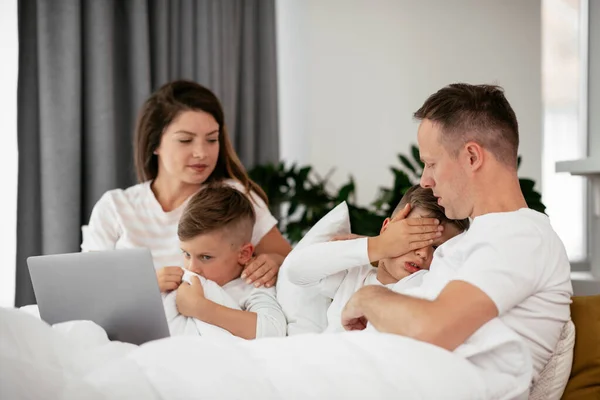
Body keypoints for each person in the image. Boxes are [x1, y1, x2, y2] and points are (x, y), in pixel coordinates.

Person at [341, 83, 572, 382]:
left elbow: (433, 328)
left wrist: (368, 298)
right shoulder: (480, 239)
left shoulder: (521, 235)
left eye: (432, 164)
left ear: (472, 157)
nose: (425, 180)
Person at [81, 80, 291, 290]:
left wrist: (273, 262)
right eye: (185, 140)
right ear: (155, 144)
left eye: (211, 140)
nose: (201, 153)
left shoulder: (233, 198)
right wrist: (147, 284)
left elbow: (289, 258)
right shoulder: (115, 206)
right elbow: (90, 286)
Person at [285, 185, 469, 333]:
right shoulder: (354, 275)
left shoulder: (428, 287)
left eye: (436, 248)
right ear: (386, 229)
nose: (424, 253)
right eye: (414, 238)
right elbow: (295, 270)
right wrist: (377, 245)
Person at [174, 185, 287, 339]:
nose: (192, 268)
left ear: (244, 254)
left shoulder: (253, 285)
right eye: (186, 254)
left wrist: (200, 308)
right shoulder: (183, 279)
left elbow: (272, 329)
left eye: (206, 257)